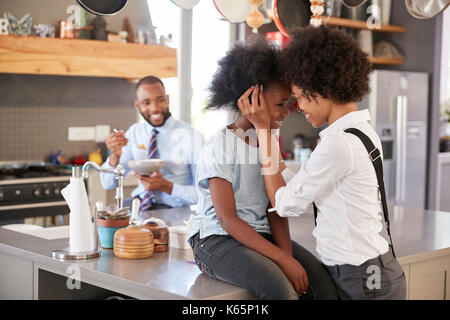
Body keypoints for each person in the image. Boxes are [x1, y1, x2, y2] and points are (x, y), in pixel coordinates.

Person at [237, 26, 407, 300]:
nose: (299, 107)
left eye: (301, 97)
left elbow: (285, 203)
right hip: (372, 268)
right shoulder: (360, 132)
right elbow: (302, 185)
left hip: (362, 277)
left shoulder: (338, 144)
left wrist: (263, 131)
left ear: (322, 88)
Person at [188, 38, 339, 300]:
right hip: (216, 241)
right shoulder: (218, 147)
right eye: (281, 104)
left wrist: (288, 259)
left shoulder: (267, 142)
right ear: (251, 98)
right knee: (281, 292)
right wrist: (283, 260)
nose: (287, 112)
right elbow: (227, 220)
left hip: (258, 236)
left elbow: (276, 206)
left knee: (324, 289)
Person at [100, 76, 203, 211]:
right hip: (139, 207)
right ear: (137, 105)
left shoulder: (192, 137)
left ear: (167, 99)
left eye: (160, 100)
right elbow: (108, 184)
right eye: (146, 102)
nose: (155, 108)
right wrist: (114, 156)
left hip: (176, 211)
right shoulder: (134, 133)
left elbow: (205, 194)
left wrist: (166, 186)